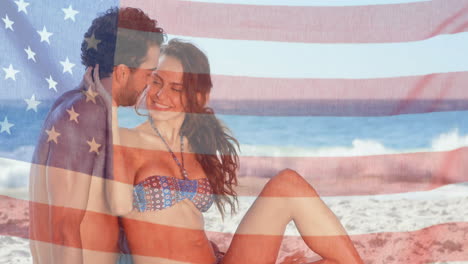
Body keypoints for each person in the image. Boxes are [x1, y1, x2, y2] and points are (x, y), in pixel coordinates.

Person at [85, 38, 364, 264]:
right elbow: (119, 205)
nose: (160, 94)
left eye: (176, 88)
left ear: (196, 96)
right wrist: (110, 111)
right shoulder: (125, 141)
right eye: (157, 81)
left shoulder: (195, 145)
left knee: (288, 184)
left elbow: (187, 227)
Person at [28, 7, 165, 264]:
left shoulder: (77, 105)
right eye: (148, 73)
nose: (150, 84)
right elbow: (63, 229)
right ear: (123, 72)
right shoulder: (84, 113)